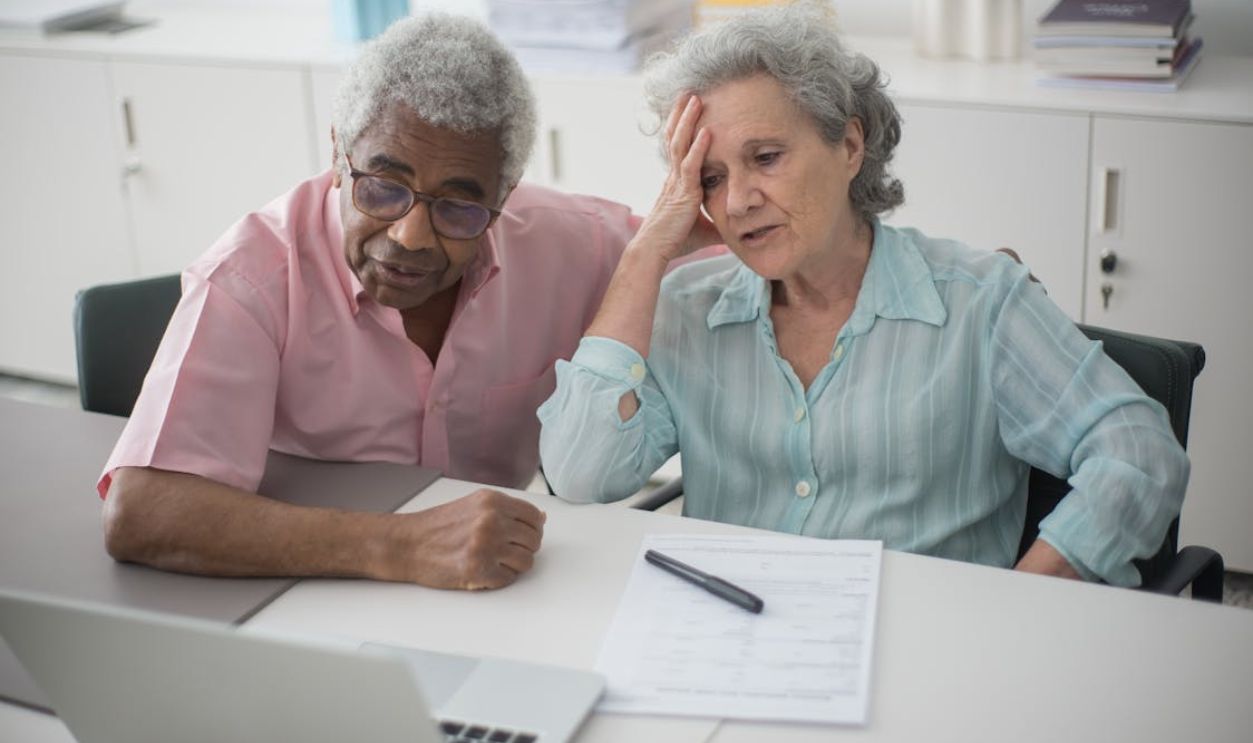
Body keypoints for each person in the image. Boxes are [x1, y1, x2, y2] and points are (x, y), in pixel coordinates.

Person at [538, 3, 1187, 587]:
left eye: (764, 157)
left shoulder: (978, 303)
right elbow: (580, 473)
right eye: (708, 177)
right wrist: (646, 252)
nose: (736, 201)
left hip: (921, 657)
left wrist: (1021, 597)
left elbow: (1137, 452)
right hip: (727, 641)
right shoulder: (684, 306)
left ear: (849, 145)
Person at [99, 14, 646, 590]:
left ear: (503, 197)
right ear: (338, 152)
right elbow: (142, 512)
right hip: (298, 590)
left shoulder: (570, 241)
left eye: (458, 207)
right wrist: (401, 545)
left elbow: (711, 247)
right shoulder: (250, 277)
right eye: (382, 187)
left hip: (498, 587)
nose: (411, 235)